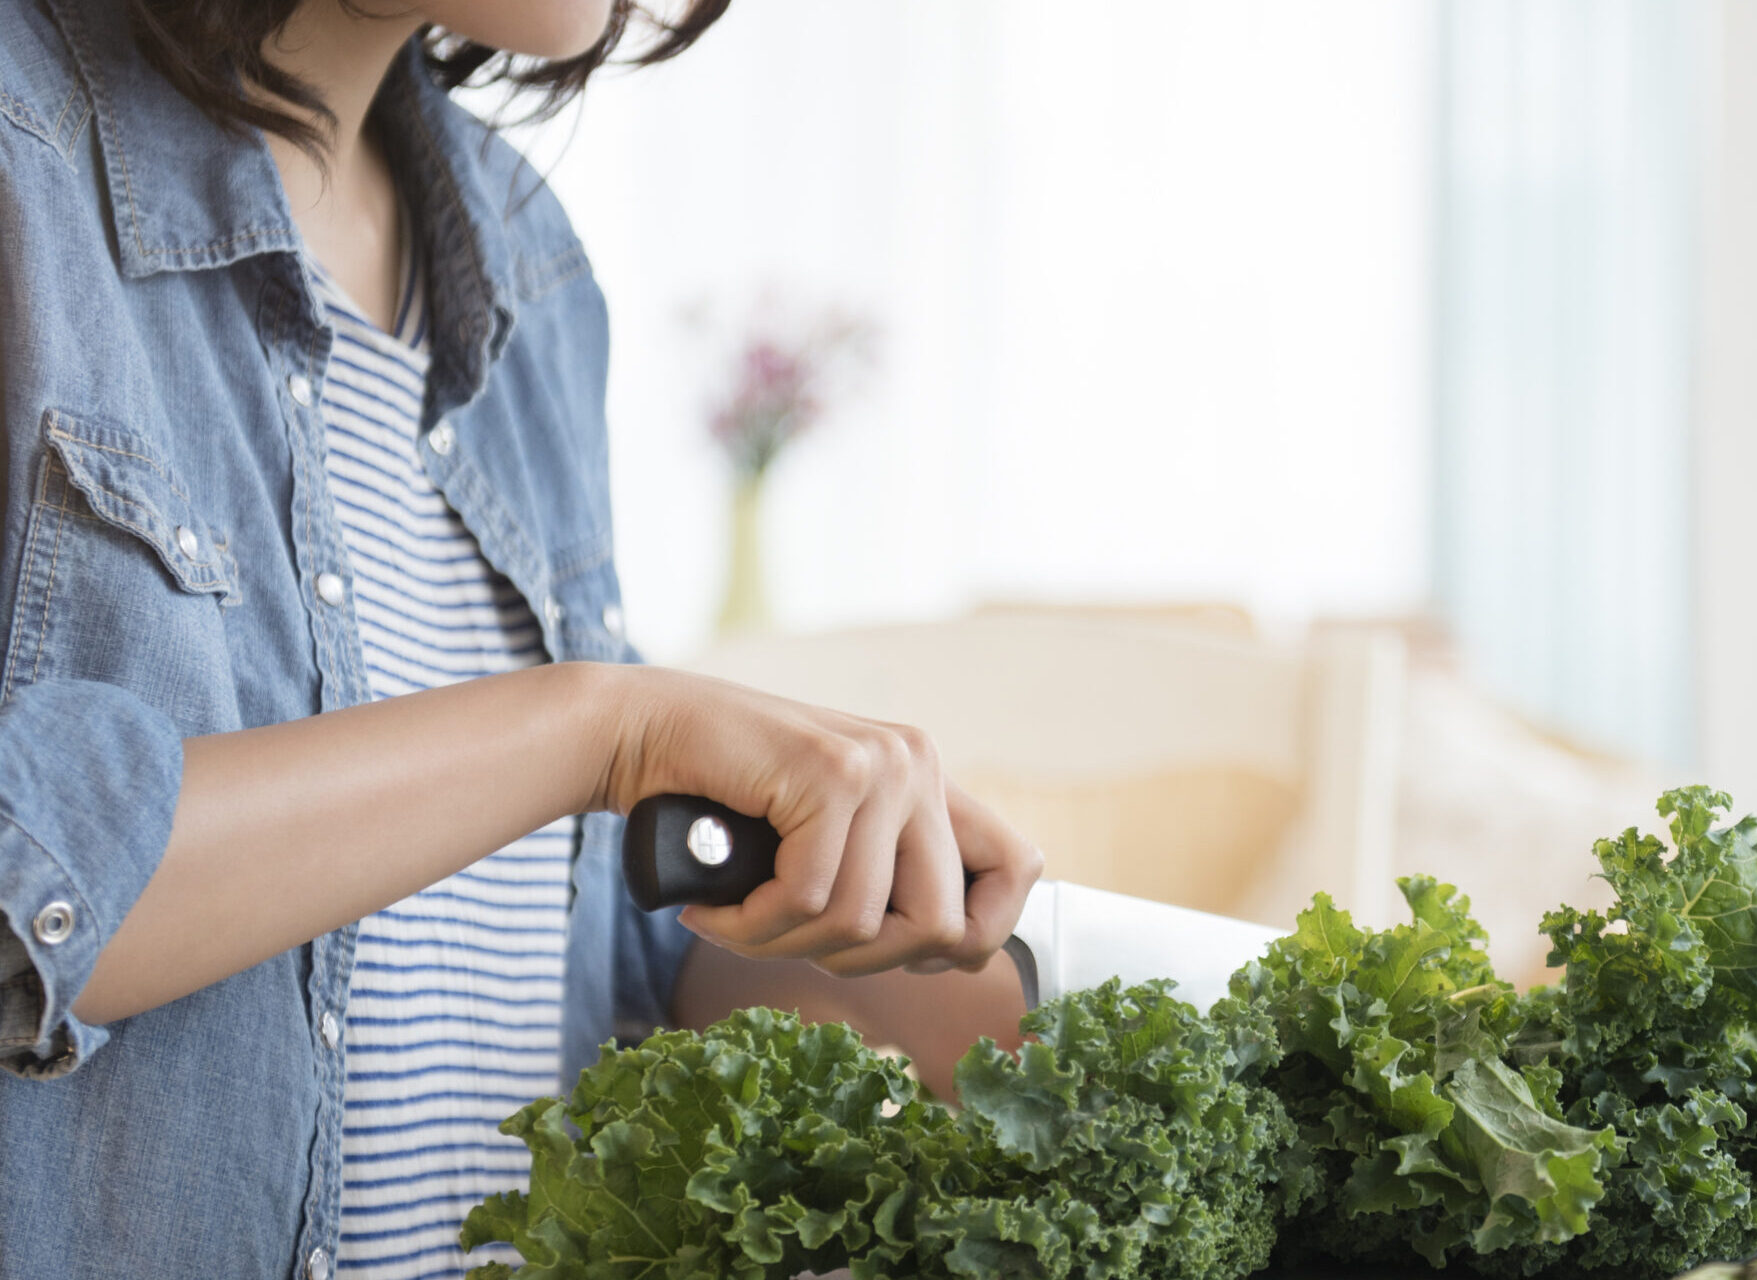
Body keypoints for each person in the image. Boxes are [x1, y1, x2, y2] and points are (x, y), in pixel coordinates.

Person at [0, 1, 1046, 1276]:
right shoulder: (24, 153)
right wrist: (599, 728)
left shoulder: (529, 267)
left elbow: (591, 939)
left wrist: (963, 986)